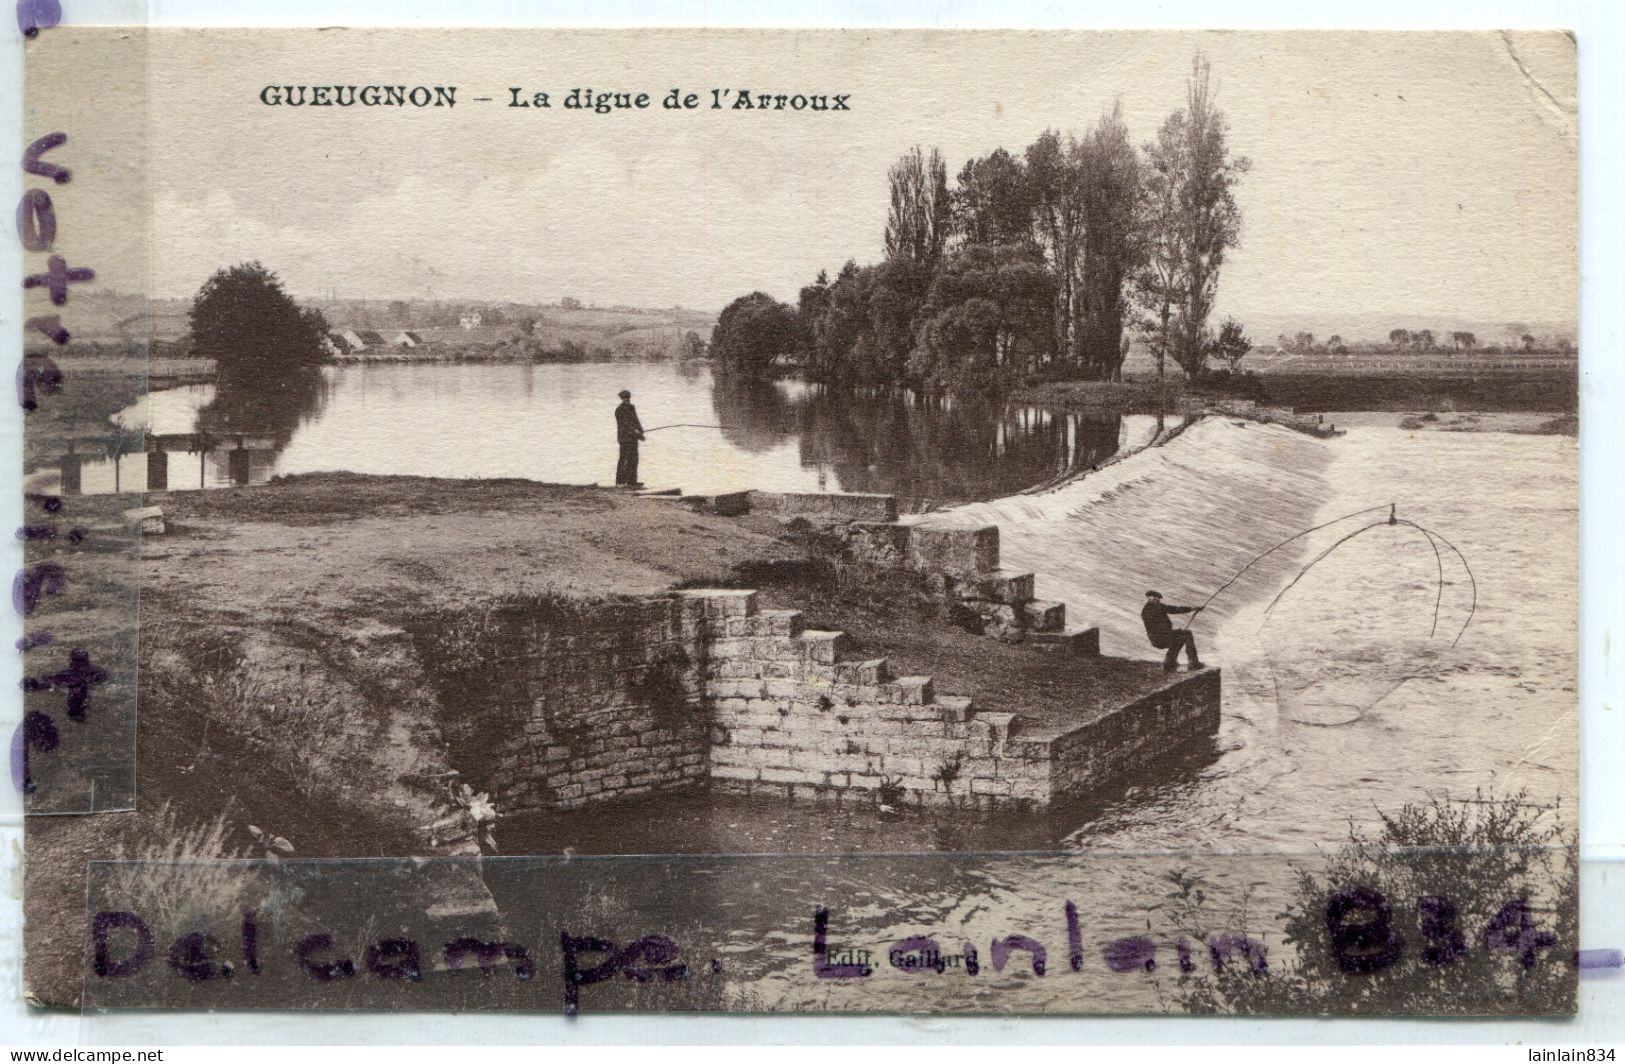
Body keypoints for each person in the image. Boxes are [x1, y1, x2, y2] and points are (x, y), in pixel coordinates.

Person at [1141, 590, 1203, 670]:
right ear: (1149, 598)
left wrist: (1192, 609)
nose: (1158, 600)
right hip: (1161, 638)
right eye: (1155, 598)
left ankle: (1169, 662)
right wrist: (1192, 609)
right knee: (1187, 634)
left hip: (1157, 638)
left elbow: (1174, 609)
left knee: (1179, 638)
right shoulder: (1155, 609)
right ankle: (1193, 662)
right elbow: (1173, 610)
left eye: (1158, 598)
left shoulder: (1148, 609)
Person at [614, 389, 645, 487]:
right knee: (624, 459)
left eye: (627, 398)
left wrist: (640, 431)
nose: (626, 400)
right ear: (621, 399)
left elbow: (636, 420)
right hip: (624, 439)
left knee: (634, 459)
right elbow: (625, 424)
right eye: (624, 398)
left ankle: (632, 481)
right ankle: (620, 482)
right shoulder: (619, 410)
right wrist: (635, 431)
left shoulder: (632, 408)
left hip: (633, 439)